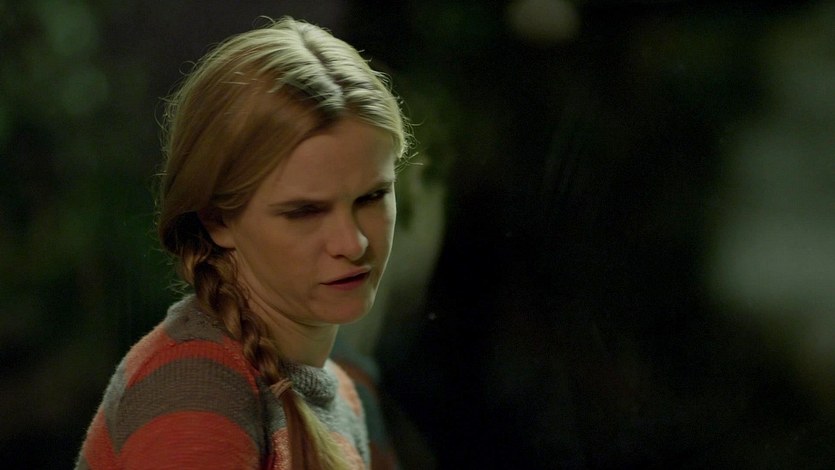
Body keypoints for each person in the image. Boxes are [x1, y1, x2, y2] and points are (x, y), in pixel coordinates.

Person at [75, 16, 410, 470]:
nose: (353, 243)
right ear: (217, 220)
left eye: (372, 196)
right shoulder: (193, 390)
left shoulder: (341, 392)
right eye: (304, 211)